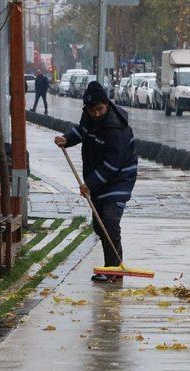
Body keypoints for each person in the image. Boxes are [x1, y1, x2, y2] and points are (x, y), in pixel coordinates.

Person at [54, 81, 137, 283]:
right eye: (93, 111)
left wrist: (89, 184)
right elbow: (82, 131)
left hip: (118, 179)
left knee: (109, 221)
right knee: (99, 226)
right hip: (98, 178)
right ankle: (111, 268)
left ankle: (114, 270)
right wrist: (66, 139)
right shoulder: (89, 117)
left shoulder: (116, 129)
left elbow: (112, 165)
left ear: (106, 104)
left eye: (100, 109)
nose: (97, 114)